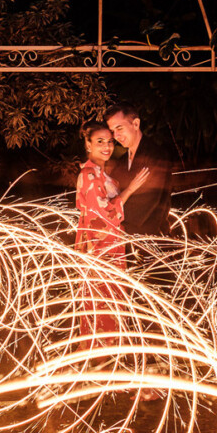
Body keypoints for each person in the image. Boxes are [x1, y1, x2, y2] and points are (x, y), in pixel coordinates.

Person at [74, 121, 149, 352]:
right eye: (100, 141)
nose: (107, 146)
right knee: (103, 301)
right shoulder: (88, 174)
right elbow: (101, 216)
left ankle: (109, 357)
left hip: (111, 246)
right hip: (99, 248)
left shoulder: (101, 174)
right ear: (88, 144)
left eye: (109, 141)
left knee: (112, 300)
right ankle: (100, 359)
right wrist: (130, 190)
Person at [104, 102, 173, 236]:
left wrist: (109, 215)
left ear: (135, 124)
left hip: (149, 238)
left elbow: (147, 202)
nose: (116, 136)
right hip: (123, 237)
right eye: (113, 131)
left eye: (120, 128)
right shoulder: (121, 161)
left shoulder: (156, 155)